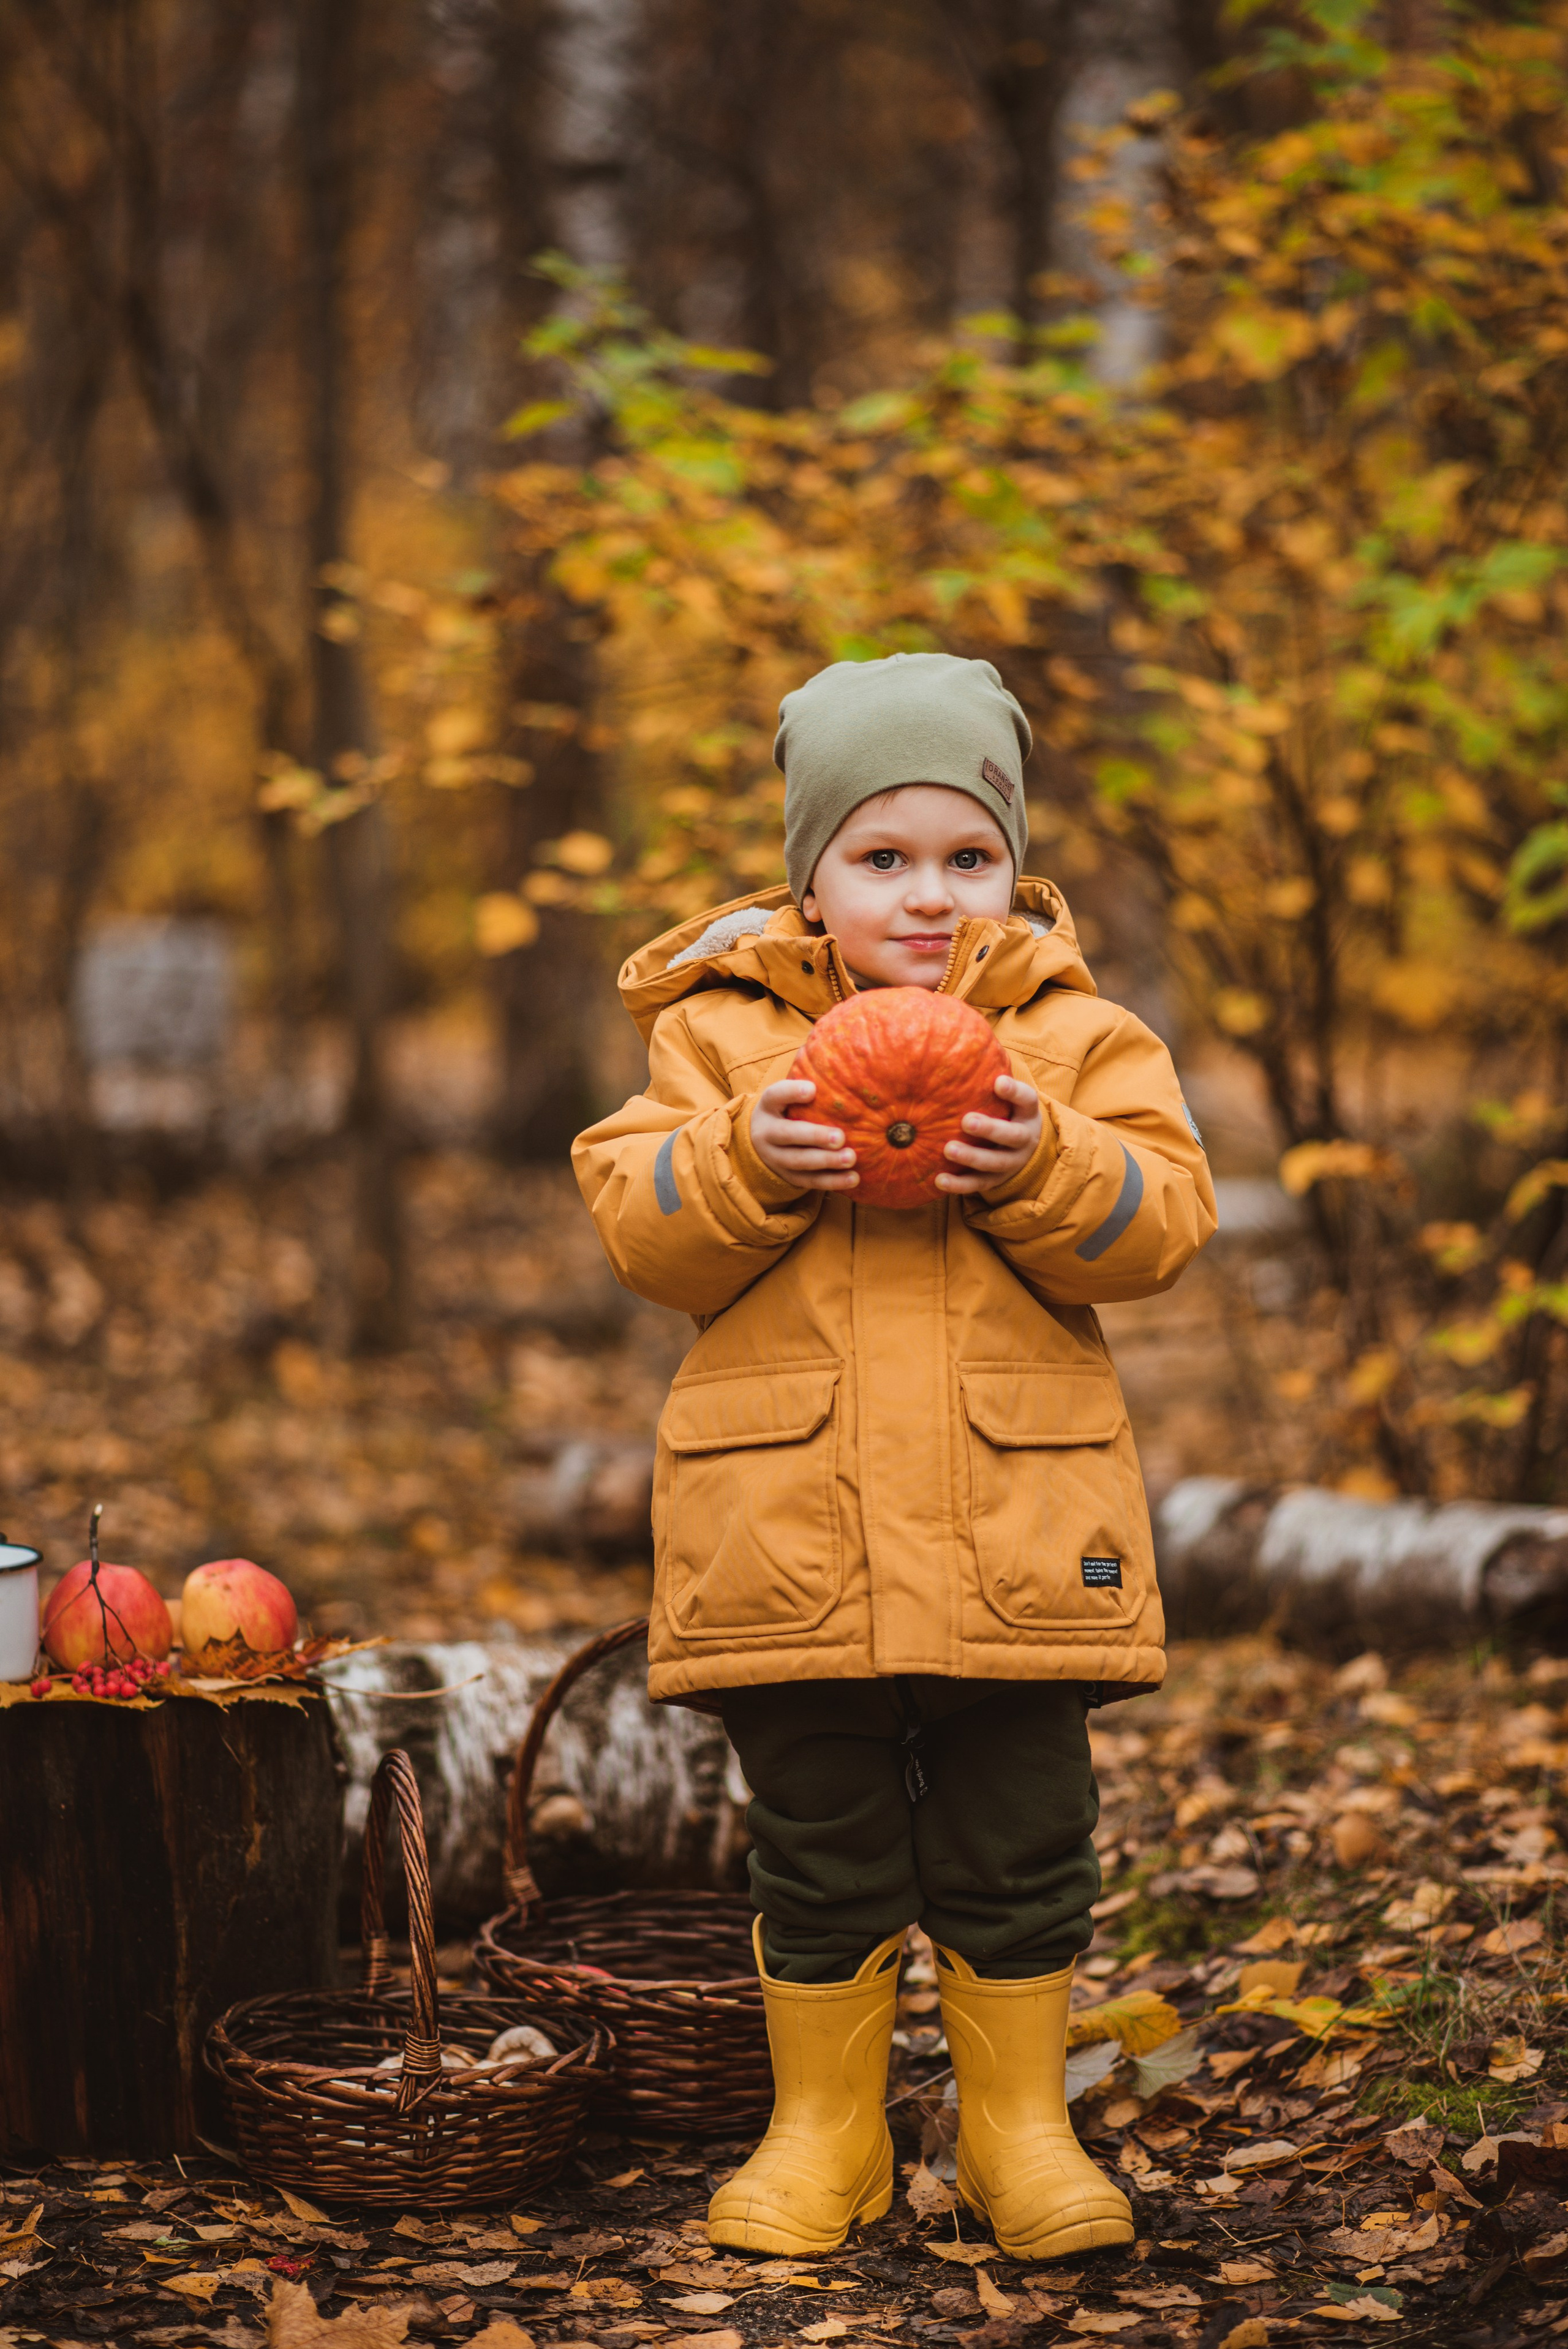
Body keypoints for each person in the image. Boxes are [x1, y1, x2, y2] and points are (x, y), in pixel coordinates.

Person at [573, 652, 1216, 2264]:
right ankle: (829, 2132)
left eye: (967, 855)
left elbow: (1167, 1220)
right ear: (810, 872)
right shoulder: (718, 1042)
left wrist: (1047, 1158)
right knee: (817, 1828)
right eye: (883, 856)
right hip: (789, 1525)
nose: (929, 894)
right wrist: (745, 1153)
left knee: (1020, 1829)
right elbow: (640, 1226)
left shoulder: (1072, 1036)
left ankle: (1018, 2129)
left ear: (1012, 861)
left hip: (1019, 1519)